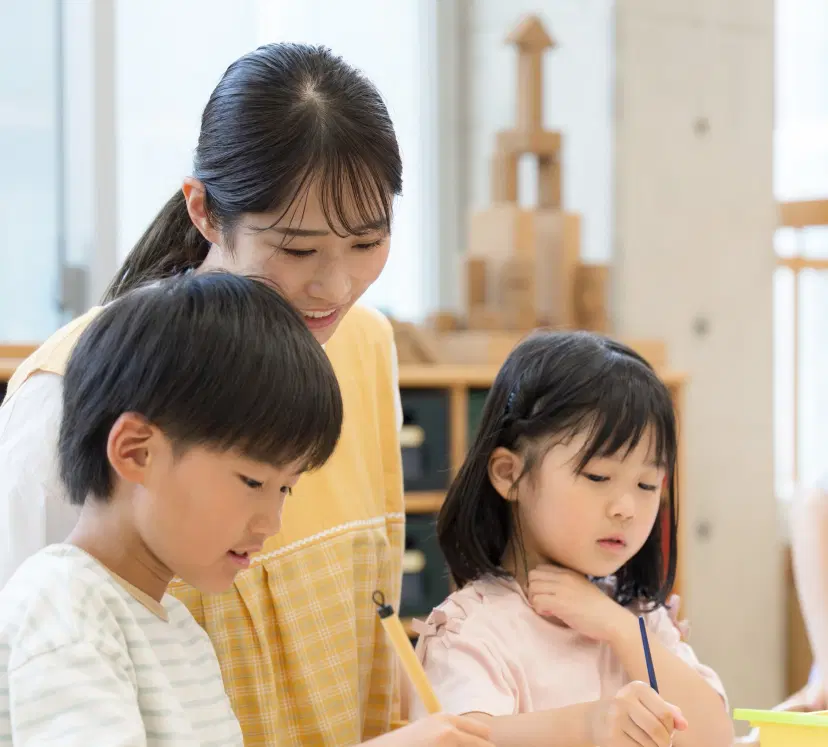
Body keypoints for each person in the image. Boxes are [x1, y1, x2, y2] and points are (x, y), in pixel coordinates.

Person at [0, 42, 484, 747]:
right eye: (295, 248)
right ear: (203, 210)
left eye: (367, 242)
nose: (336, 287)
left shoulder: (363, 345)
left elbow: (372, 632)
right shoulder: (69, 393)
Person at [0, 272, 344, 745]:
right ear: (136, 451)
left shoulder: (174, 626)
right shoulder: (64, 606)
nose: (271, 523)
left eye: (286, 489)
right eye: (254, 482)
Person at [407, 331, 735, 747]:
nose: (626, 508)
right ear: (509, 474)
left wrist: (620, 628)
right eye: (598, 477)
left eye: (648, 484)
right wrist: (587, 728)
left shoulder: (637, 618)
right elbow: (455, 740)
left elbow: (714, 738)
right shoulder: (473, 632)